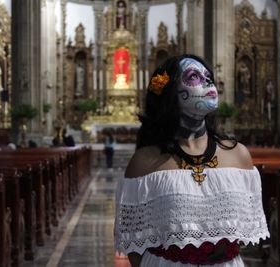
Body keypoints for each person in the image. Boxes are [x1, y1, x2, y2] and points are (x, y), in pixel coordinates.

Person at [114, 54, 269, 267]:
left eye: (209, 76)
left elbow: (244, 233)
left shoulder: (239, 156)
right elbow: (134, 243)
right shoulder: (145, 162)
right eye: (194, 76)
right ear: (170, 93)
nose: (207, 81)